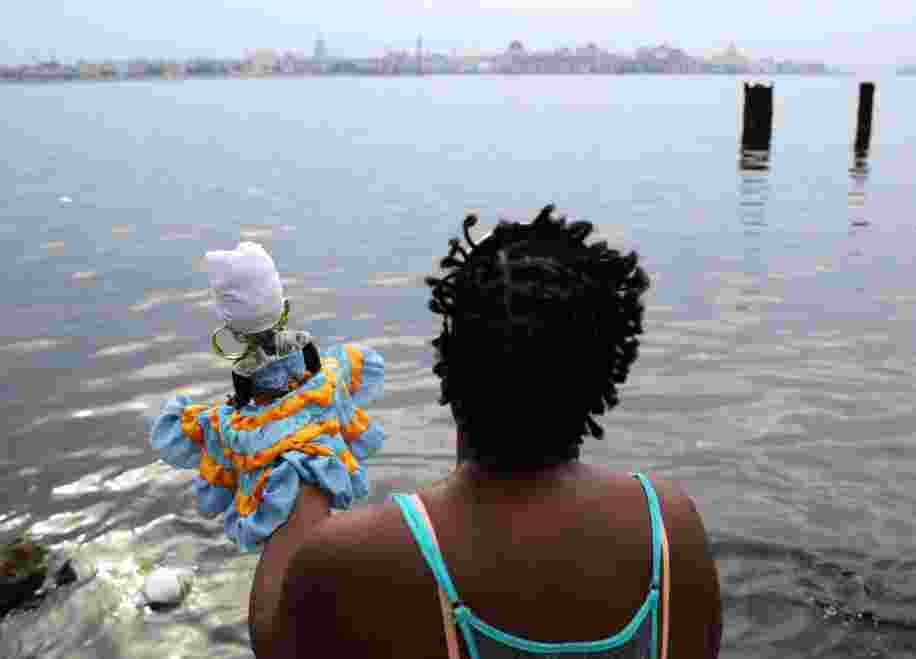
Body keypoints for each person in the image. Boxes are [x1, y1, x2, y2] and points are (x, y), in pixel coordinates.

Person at [249, 206, 722, 658]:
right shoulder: (670, 531)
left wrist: (299, 449)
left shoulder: (355, 555)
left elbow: (276, 641)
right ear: (604, 370)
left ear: (448, 367)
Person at [149, 242, 386, 552]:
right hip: (310, 407)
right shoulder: (315, 362)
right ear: (283, 307)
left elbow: (235, 394)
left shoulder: (238, 398)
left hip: (263, 425)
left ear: (231, 331)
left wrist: (230, 408)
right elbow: (327, 362)